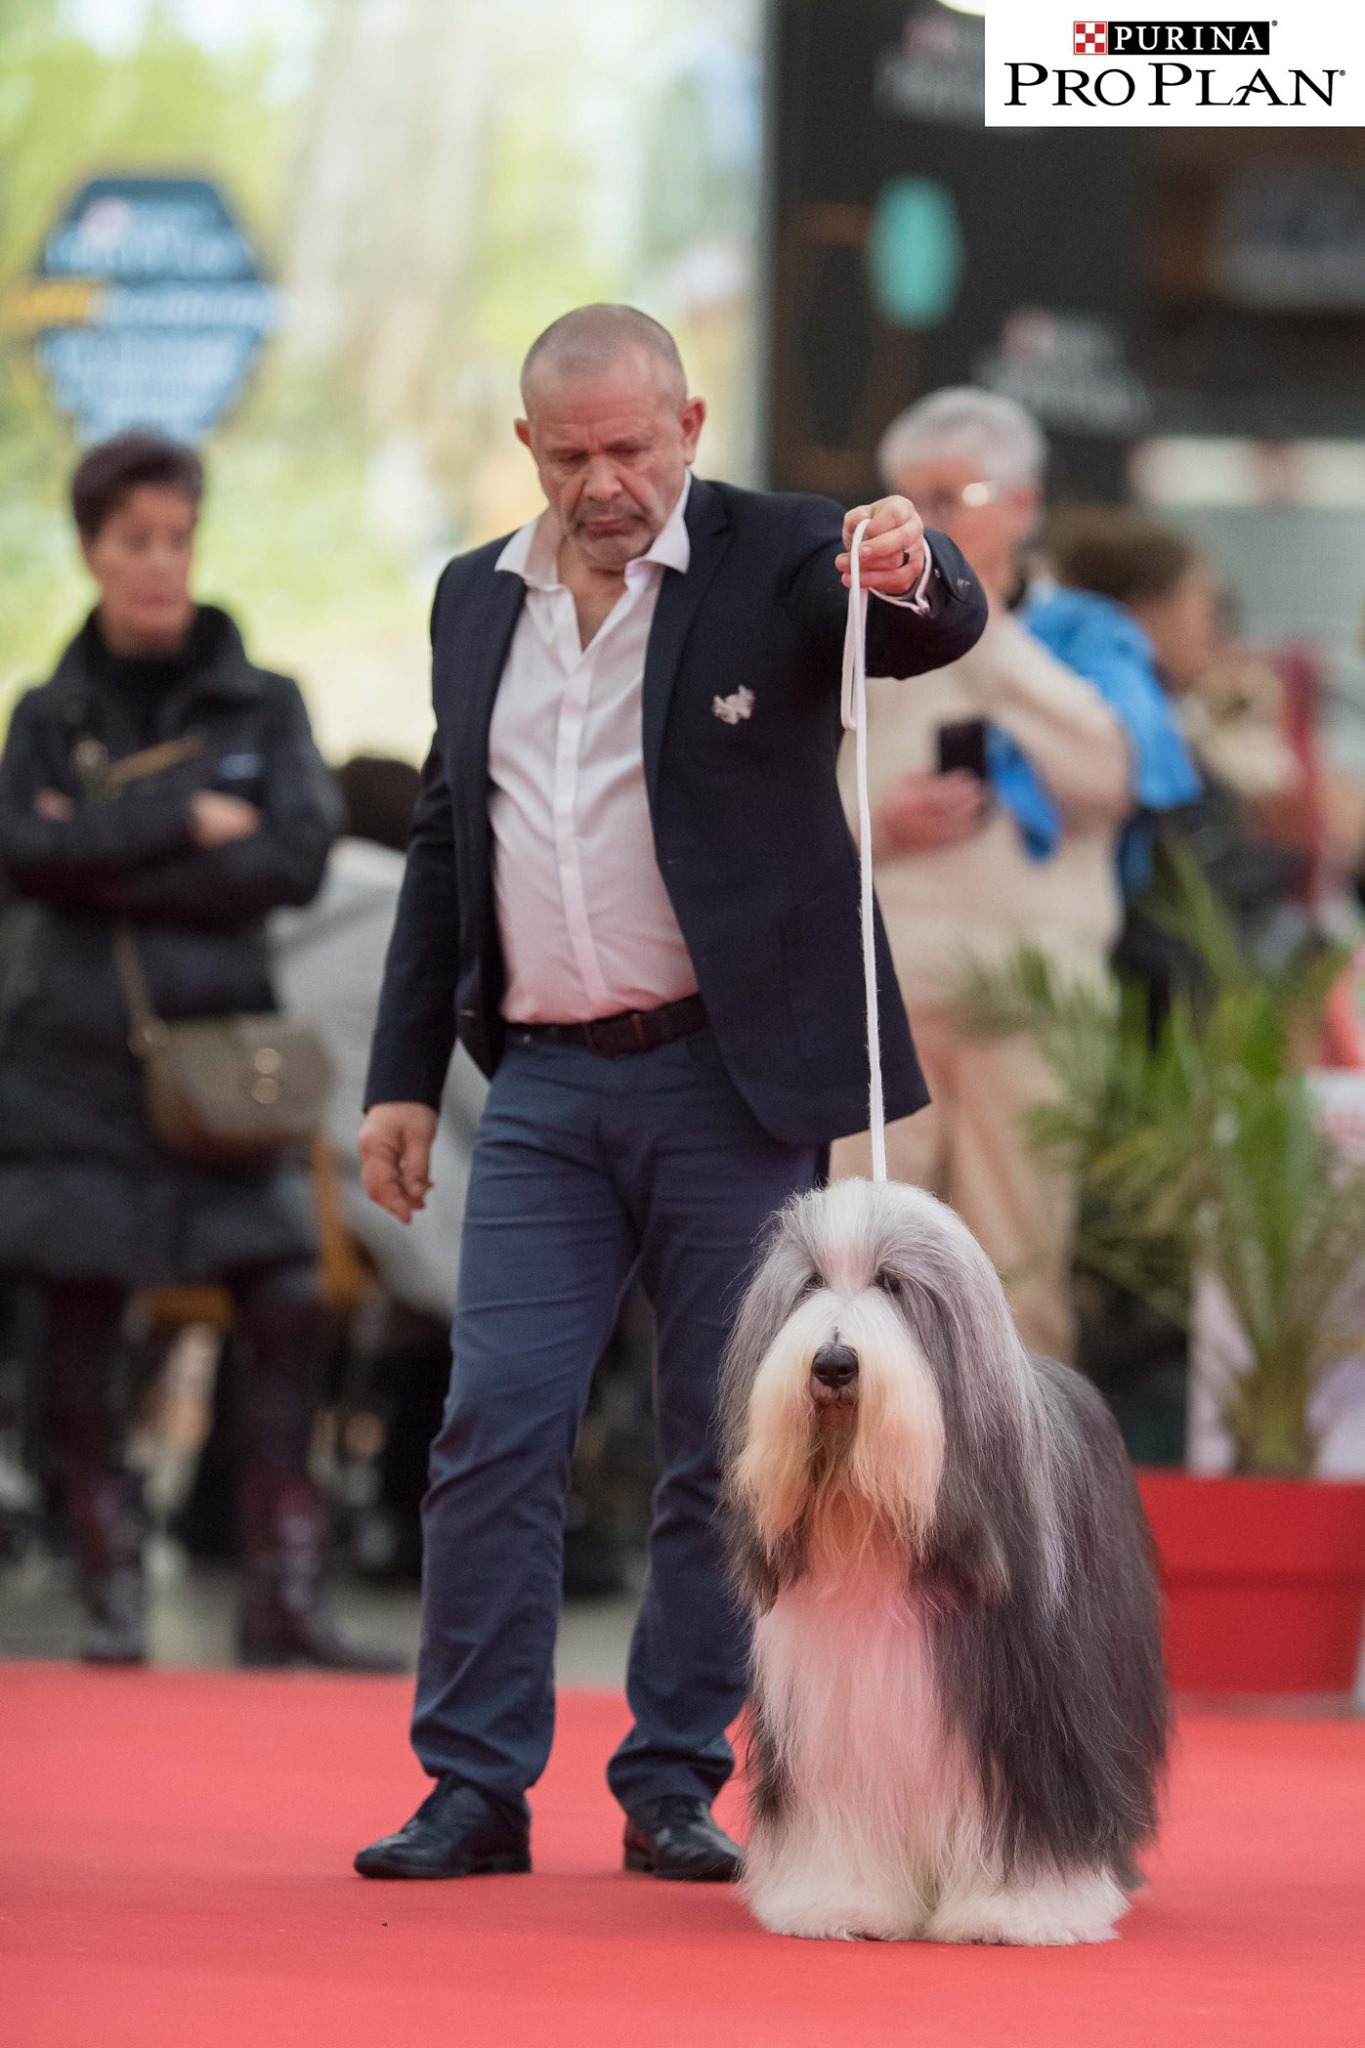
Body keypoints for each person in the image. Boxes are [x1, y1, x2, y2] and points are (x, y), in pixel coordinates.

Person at [353, 304, 987, 1884]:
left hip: (733, 1076)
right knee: (493, 1428)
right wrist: (400, 1080)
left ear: (691, 424)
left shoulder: (782, 554)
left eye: (633, 446)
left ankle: (673, 1782)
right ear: (527, 451)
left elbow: (928, 625)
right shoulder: (466, 602)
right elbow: (448, 842)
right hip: (548, 1090)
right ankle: (474, 1786)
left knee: (733, 1450)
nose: (605, 482)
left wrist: (915, 566)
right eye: (571, 455)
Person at [0, 431, 397, 1672]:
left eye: (176, 536)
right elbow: (27, 854)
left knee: (285, 1297)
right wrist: (186, 817)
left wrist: (107, 839)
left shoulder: (262, 700)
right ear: (91, 550)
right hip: (71, 1064)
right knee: (75, 1318)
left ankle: (280, 1592)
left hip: (228, 1067)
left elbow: (290, 856)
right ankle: (113, 1585)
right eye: (134, 540)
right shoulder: (46, 712)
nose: (159, 563)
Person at [831, 389, 1196, 1361]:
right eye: (905, 497)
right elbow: (779, 811)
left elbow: (1116, 776)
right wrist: (875, 823)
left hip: (1033, 997)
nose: (922, 520)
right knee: (862, 1268)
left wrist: (969, 621)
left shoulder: (1087, 635)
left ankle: (1025, 1506)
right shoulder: (849, 626)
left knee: (1016, 1270)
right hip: (880, 992)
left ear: (1024, 505)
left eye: (951, 497)